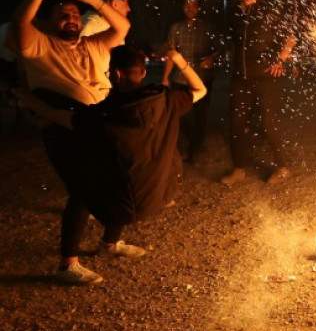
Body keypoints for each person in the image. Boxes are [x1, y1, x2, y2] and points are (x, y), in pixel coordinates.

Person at [14, 46, 206, 285]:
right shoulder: (166, 99)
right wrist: (178, 58)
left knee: (81, 189)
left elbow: (57, 116)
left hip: (125, 201)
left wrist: (21, 94)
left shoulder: (101, 115)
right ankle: (109, 244)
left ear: (114, 75)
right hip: (159, 194)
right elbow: (201, 88)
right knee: (121, 172)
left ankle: (67, 264)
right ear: (144, 73)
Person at [9, 0, 130, 285]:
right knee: (83, 188)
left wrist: (93, 0)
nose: (71, 19)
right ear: (49, 22)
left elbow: (122, 28)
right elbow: (20, 21)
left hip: (99, 122)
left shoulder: (94, 43)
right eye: (62, 15)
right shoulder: (39, 45)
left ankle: (110, 243)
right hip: (64, 128)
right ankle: (68, 264)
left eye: (75, 15)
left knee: (122, 175)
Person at [221, 0, 297, 186]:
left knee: (269, 123)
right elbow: (234, 45)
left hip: (265, 77)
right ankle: (239, 169)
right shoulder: (236, 14)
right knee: (236, 123)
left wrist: (280, 60)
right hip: (241, 78)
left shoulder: (269, 11)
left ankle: (282, 167)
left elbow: (290, 37)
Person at [161, 0, 221, 162]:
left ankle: (195, 151)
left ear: (199, 8)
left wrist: (212, 58)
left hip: (202, 78)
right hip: (180, 79)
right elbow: (171, 55)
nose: (190, 8)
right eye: (187, 5)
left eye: (194, 5)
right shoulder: (176, 28)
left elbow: (220, 48)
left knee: (200, 116)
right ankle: (191, 142)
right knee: (177, 115)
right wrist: (165, 77)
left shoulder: (208, 28)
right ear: (182, 7)